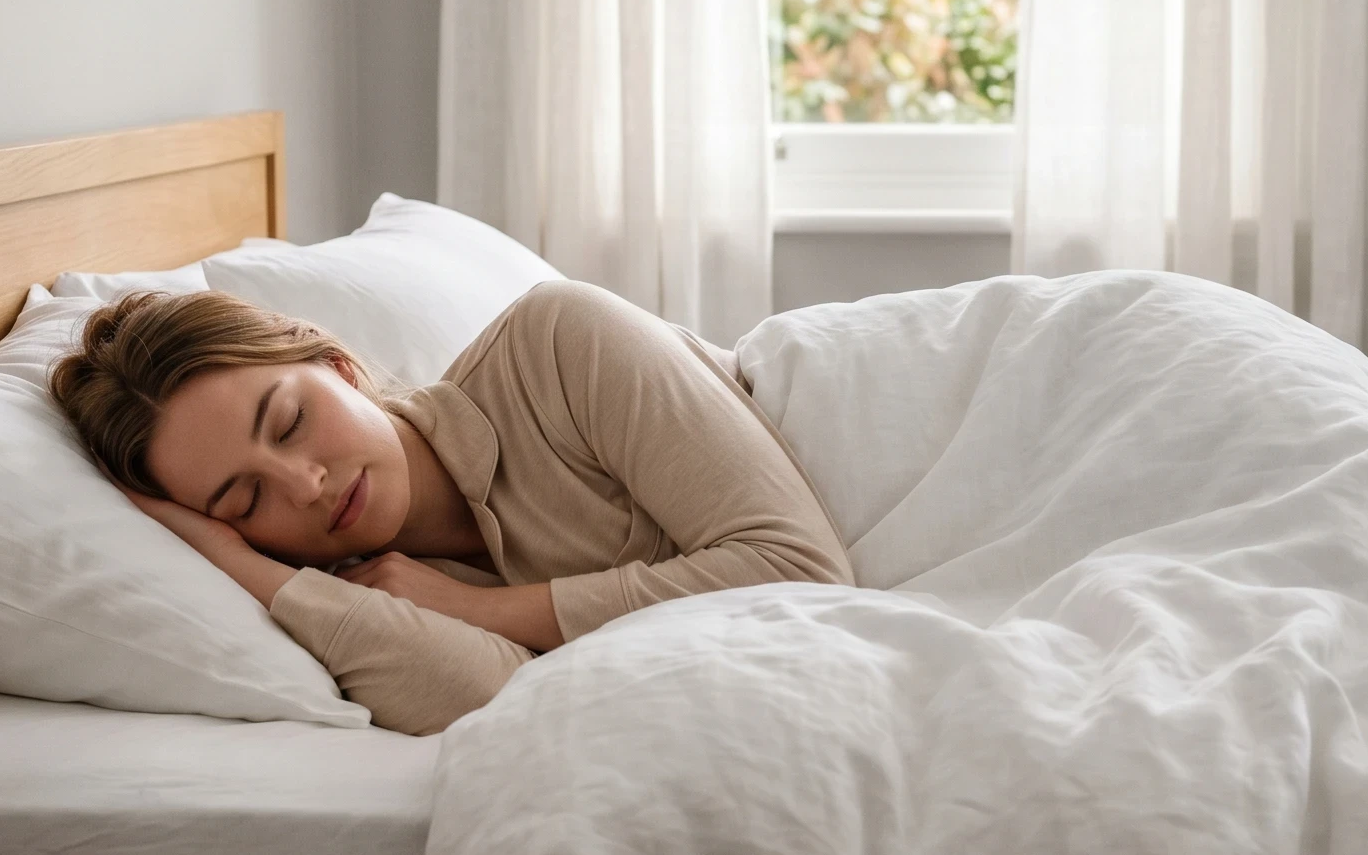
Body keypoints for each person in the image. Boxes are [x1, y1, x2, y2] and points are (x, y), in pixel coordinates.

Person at [50, 280, 852, 734]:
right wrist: (242, 567)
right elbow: (498, 709)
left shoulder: (559, 344)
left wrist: (484, 608)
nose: (306, 487)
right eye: (245, 497)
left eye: (292, 422)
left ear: (337, 364)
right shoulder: (368, 595)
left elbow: (801, 570)